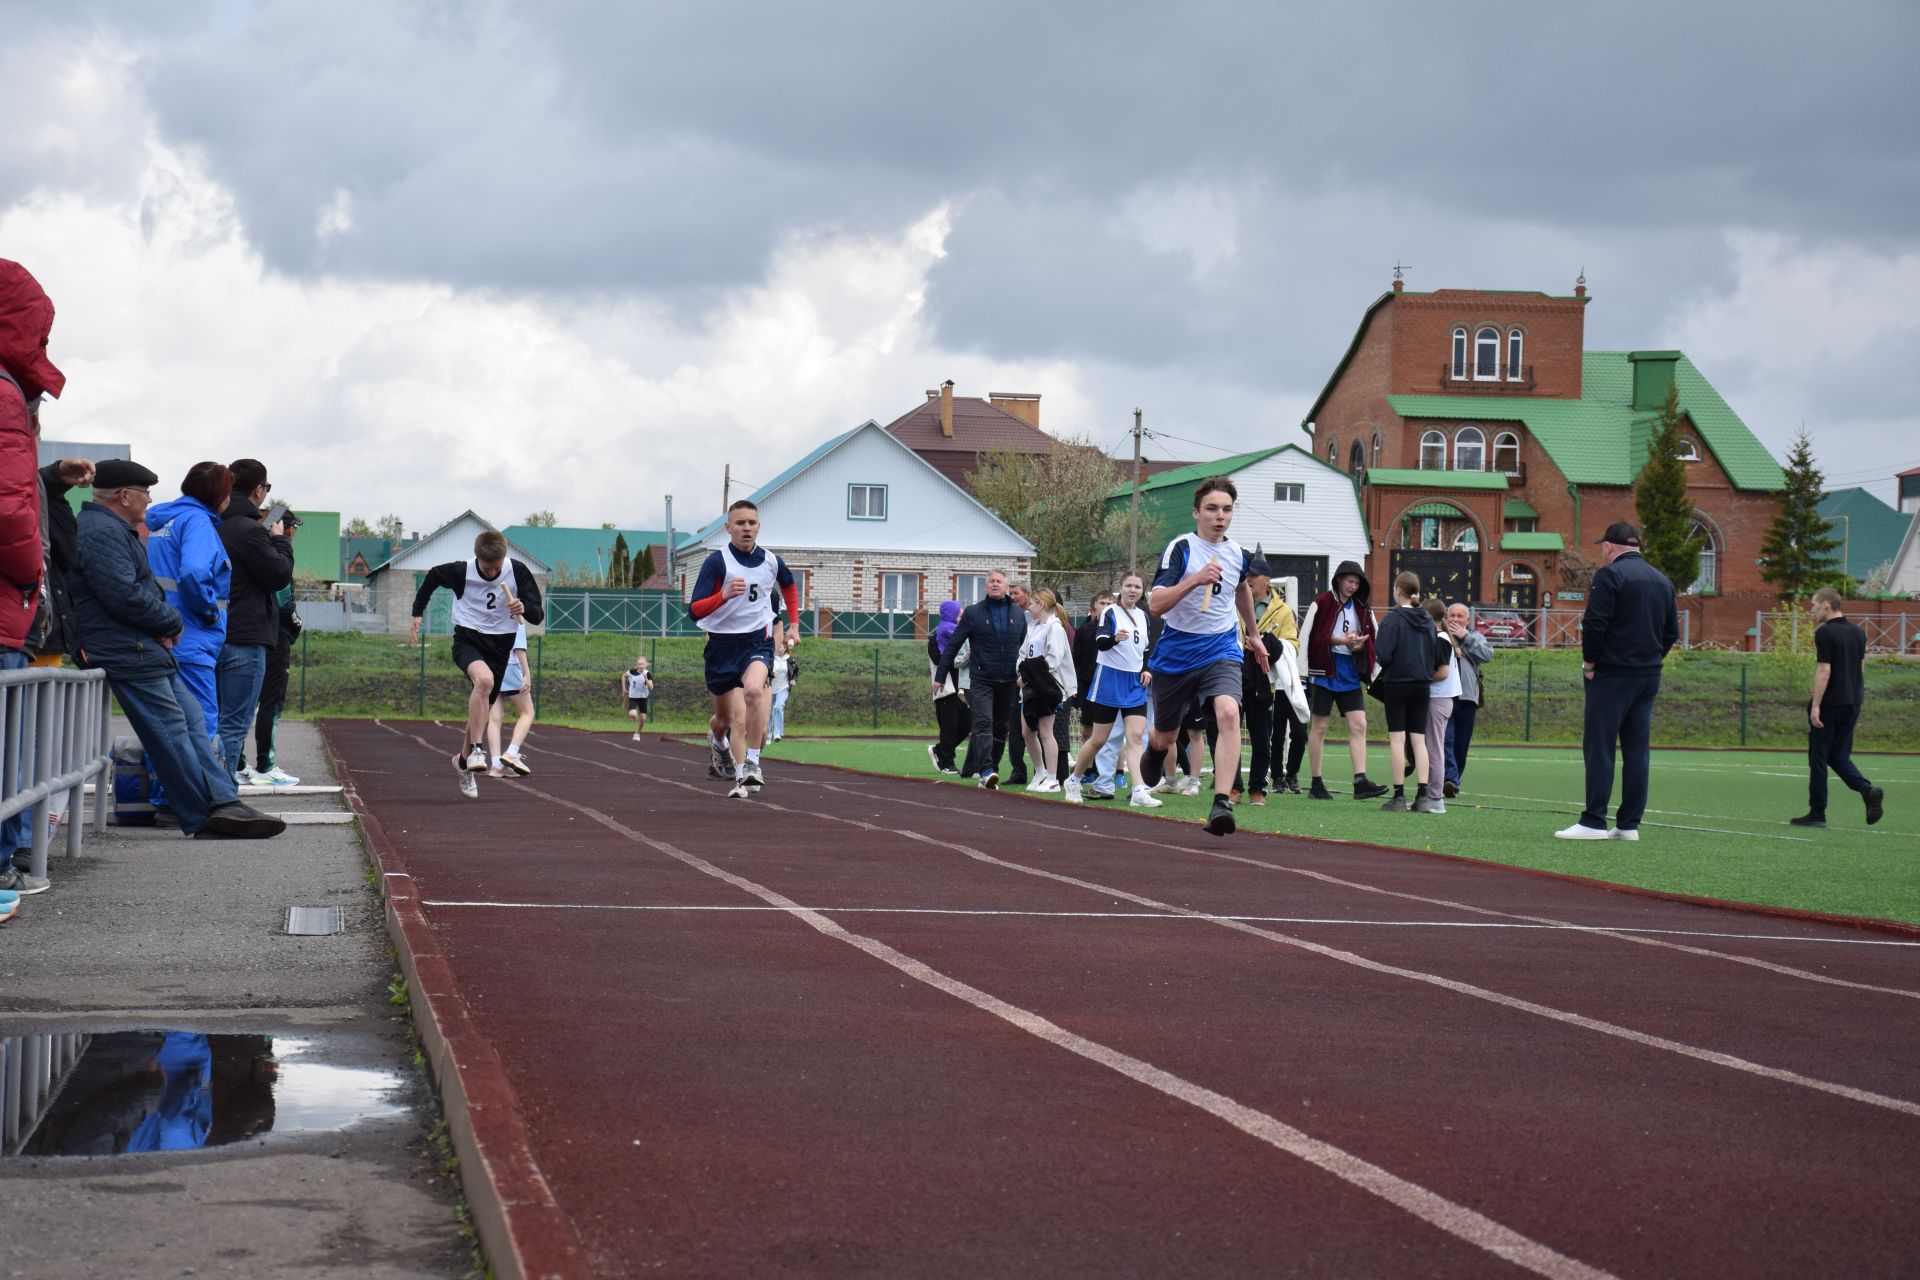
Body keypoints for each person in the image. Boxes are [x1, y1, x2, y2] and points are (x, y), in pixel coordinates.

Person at [67, 459, 284, 841]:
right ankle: (203, 814)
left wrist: (163, 623)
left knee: (192, 723)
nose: (149, 500)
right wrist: (173, 622)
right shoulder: (103, 531)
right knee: (174, 730)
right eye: (144, 492)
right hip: (131, 646)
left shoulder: (129, 528)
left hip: (146, 643)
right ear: (124, 495)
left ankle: (223, 801)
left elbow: (144, 587)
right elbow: (126, 593)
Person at [1137, 477, 1268, 837]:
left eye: (1226, 509)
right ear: (1197, 512)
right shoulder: (1181, 549)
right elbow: (1156, 605)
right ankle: (1154, 748)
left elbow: (1241, 587)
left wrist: (1253, 634)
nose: (1219, 516)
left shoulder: (1239, 555)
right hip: (1178, 650)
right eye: (1212, 509)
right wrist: (1195, 579)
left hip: (1221, 646)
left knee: (1228, 712)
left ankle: (1222, 802)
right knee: (1166, 736)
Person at [0, 260, 67, 892]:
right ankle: (2, 866)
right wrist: (29, 575)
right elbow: (10, 508)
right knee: (6, 748)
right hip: (4, 606)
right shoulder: (4, 396)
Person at [1556, 522, 1678, 841]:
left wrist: (1590, 663)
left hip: (1612, 673)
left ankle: (1594, 820)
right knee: (1637, 750)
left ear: (1609, 547)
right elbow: (1671, 632)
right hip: (1647, 675)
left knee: (1600, 746)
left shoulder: (1610, 575)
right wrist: (1651, 659)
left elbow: (1595, 624)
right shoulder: (1663, 581)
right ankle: (1628, 825)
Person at [409, 529, 546, 799]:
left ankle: (463, 762)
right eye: (487, 568)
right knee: (484, 681)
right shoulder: (463, 572)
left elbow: (537, 614)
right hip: (468, 638)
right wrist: (417, 612)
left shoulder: (517, 571)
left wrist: (523, 609)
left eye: (496, 569)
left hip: (500, 645)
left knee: (483, 705)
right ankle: (476, 749)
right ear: (477, 559)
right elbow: (433, 576)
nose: (493, 573)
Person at [688, 499, 797, 798]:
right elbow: (694, 611)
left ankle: (749, 768)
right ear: (728, 528)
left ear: (759, 526)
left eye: (751, 522)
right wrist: (722, 596)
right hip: (721, 646)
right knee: (724, 720)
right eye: (740, 523)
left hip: (755, 644)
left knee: (752, 695)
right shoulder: (717, 563)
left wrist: (794, 625)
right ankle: (718, 743)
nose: (746, 528)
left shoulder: (771, 563)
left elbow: (788, 585)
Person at [144, 463, 233, 792]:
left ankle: (163, 796)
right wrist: (210, 612)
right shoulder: (198, 522)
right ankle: (193, 797)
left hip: (162, 632)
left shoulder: (163, 520)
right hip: (192, 636)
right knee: (199, 720)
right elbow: (195, 573)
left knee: (167, 722)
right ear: (218, 494)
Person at [215, 459, 294, 781]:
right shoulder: (250, 531)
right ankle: (223, 788)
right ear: (259, 490)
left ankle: (211, 782)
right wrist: (279, 541)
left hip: (212, 630)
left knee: (212, 716)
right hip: (245, 635)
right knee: (235, 722)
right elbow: (278, 575)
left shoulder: (212, 523)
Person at [1064, 572, 1158, 807]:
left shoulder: (1144, 616)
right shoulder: (1110, 612)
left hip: (1134, 682)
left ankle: (1138, 790)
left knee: (1136, 737)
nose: (1132, 590)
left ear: (1142, 590)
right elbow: (1101, 642)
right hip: (1109, 678)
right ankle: (1074, 780)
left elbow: (1145, 649)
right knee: (1098, 739)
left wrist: (1146, 668)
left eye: (1137, 586)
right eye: (1128, 586)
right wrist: (1115, 639)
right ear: (1121, 588)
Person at [1793, 587, 1884, 828]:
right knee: (1839, 755)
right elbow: (1860, 668)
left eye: (1813, 604)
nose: (1811, 609)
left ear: (1826, 605)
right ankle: (1867, 790)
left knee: (1819, 758)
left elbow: (1824, 669)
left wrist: (1816, 705)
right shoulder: (1858, 633)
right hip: (1853, 701)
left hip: (1830, 705)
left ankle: (1817, 812)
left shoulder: (1824, 633)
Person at [1300, 561, 1387, 801]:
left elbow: (1374, 638)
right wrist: (1341, 642)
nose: (1353, 586)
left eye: (1357, 582)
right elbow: (1311, 636)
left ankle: (1360, 780)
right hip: (1323, 671)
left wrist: (1360, 644)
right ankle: (1316, 783)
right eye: (1349, 580)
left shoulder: (1363, 608)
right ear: (1338, 579)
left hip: (1350, 671)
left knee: (1359, 724)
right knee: (1319, 726)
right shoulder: (1321, 603)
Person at [933, 570, 1026, 789]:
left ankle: (992, 767)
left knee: (1001, 727)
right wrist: (940, 676)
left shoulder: (1018, 614)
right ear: (985, 587)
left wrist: (1024, 674)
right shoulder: (974, 613)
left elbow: (1024, 648)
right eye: (991, 581)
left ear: (1006, 587)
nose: (995, 584)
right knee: (984, 722)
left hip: (1009, 681)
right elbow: (953, 645)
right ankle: (985, 770)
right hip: (982, 679)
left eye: (999, 581)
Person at [1370, 572, 1437, 812]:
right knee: (1419, 739)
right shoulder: (1428, 619)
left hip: (1397, 682)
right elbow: (1434, 653)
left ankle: (1398, 795)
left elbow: (1383, 654)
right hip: (1422, 683)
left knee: (1397, 738)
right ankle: (1423, 795)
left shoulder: (1393, 619)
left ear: (1398, 589)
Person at [243, 577, 302, 785]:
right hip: (276, 636)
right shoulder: (276, 557)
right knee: (272, 701)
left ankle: (238, 764)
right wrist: (297, 624)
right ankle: (265, 767)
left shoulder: (248, 551)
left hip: (248, 634)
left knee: (243, 702)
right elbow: (285, 604)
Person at [1016, 587, 1075, 792]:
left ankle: (1053, 778)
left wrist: (1031, 675)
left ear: (1040, 604)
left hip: (1047, 686)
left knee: (1046, 732)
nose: (1029, 608)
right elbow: (1023, 653)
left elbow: (1054, 659)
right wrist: (1021, 671)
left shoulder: (1055, 628)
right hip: (1030, 687)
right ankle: (1039, 771)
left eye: (1031, 604)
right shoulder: (1033, 626)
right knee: (1027, 731)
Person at [1442, 602, 1493, 797]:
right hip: (1445, 696)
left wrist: (1466, 639)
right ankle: (1449, 779)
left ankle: (1454, 782)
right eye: (1451, 615)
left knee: (1461, 744)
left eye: (1459, 616)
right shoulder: (1441, 636)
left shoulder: (1475, 637)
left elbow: (1487, 655)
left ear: (1467, 620)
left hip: (1467, 697)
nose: (1454, 619)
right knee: (1446, 740)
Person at [1419, 597, 1458, 814]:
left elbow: (1442, 672)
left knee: (1434, 749)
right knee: (1431, 747)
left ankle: (1435, 797)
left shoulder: (1440, 638)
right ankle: (1430, 795)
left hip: (1438, 699)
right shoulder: (1441, 637)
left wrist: (1422, 677)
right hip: (1440, 699)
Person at [485, 621, 535, 777]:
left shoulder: (489, 616)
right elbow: (519, 649)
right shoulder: (515, 617)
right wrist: (526, 674)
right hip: (510, 666)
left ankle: (496, 766)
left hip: (489, 666)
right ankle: (511, 753)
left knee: (494, 718)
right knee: (528, 712)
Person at [927, 600, 968, 774]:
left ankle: (940, 750)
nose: (960, 618)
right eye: (958, 615)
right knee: (949, 726)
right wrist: (964, 656)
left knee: (968, 723)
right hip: (946, 688)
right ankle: (947, 762)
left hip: (961, 687)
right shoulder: (935, 640)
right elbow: (941, 660)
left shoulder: (960, 635)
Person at [623, 655, 654, 740]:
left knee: (643, 719)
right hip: (633, 697)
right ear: (637, 665)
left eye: (642, 664)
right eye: (639, 664)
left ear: (645, 665)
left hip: (643, 698)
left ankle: (637, 733)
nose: (641, 666)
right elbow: (623, 676)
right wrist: (624, 688)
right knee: (632, 714)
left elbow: (651, 687)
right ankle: (635, 716)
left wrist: (645, 678)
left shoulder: (647, 674)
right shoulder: (631, 672)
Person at [769, 649, 792, 742]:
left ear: (785, 648)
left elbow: (795, 671)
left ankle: (777, 733)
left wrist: (793, 679)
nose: (779, 648)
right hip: (770, 689)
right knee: (768, 712)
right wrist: (772, 674)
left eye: (781, 646)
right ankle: (768, 735)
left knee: (778, 706)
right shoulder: (770, 658)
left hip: (783, 688)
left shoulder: (789, 659)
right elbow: (764, 671)